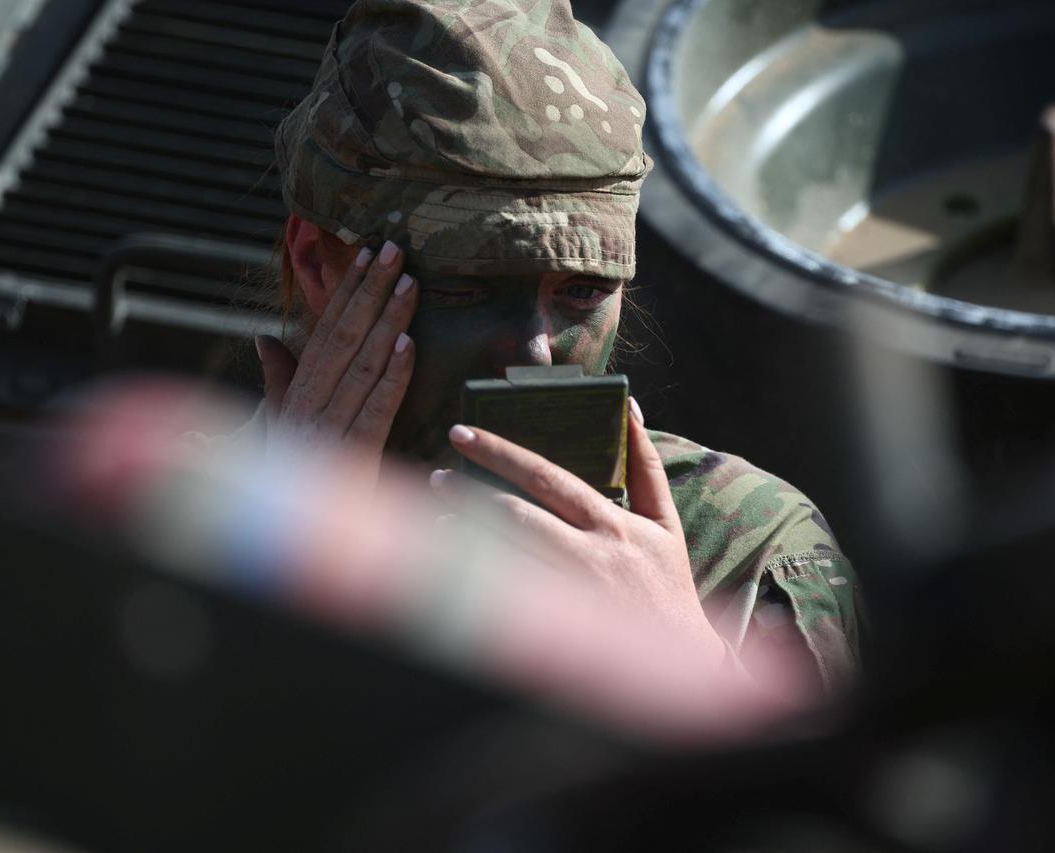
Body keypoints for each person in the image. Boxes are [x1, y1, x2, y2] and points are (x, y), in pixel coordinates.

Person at [254, 0, 861, 692]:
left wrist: (685, 664)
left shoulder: (738, 546)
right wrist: (272, 571)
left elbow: (821, 798)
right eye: (465, 288)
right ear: (316, 265)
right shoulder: (166, 509)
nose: (535, 351)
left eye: (582, 292)